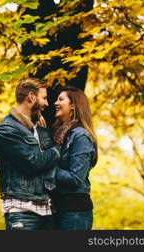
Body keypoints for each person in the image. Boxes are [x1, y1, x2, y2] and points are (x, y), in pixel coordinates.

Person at [0, 78, 61, 230]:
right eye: (44, 98)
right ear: (31, 97)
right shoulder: (7, 129)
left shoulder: (39, 128)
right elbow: (33, 163)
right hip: (22, 211)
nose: (47, 103)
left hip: (47, 209)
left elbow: (49, 164)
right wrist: (58, 149)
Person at [51, 86, 98, 230]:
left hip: (75, 213)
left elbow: (76, 178)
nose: (55, 103)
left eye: (61, 99)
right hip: (60, 210)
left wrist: (49, 170)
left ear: (73, 105)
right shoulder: (61, 134)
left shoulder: (80, 136)